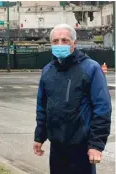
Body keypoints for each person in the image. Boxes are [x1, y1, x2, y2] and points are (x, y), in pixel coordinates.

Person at [33, 24, 112, 174]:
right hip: (57, 147)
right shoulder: (47, 71)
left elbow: (102, 108)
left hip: (81, 148)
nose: (60, 44)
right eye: (55, 41)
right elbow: (42, 106)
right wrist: (39, 136)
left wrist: (96, 144)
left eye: (65, 40)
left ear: (74, 44)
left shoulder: (90, 68)